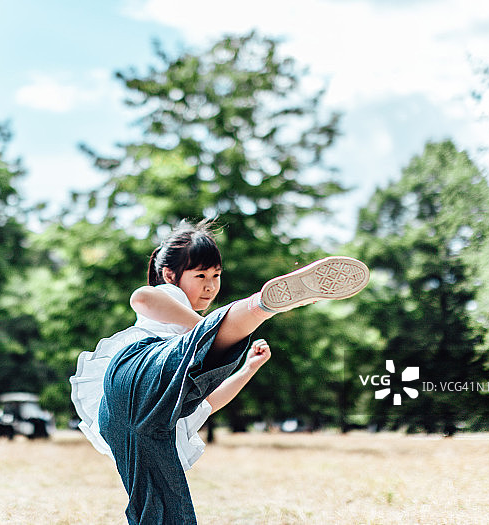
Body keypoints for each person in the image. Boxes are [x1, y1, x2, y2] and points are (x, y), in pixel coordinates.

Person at [71, 219, 370, 524]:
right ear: (169, 275)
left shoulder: (185, 341)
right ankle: (260, 306)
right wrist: (210, 332)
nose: (210, 285)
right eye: (200, 275)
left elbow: (208, 403)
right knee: (206, 346)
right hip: (142, 366)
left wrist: (247, 369)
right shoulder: (170, 296)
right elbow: (142, 298)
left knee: (162, 510)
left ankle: (257, 311)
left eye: (216, 276)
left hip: (131, 416)